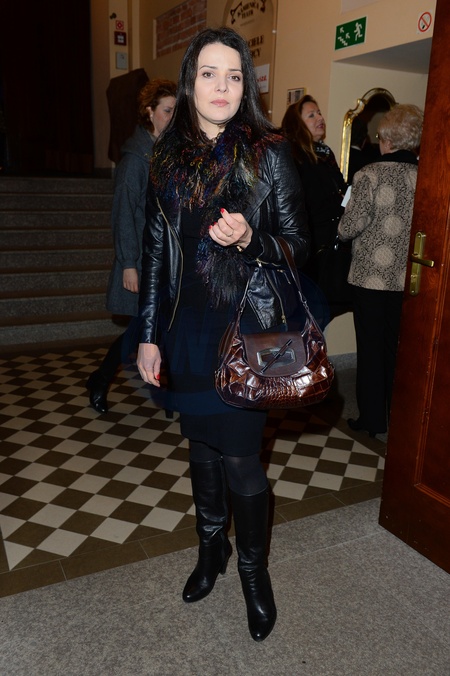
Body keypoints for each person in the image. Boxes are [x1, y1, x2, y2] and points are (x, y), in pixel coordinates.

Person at [136, 27, 309, 642]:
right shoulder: (167, 157)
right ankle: (211, 548)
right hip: (186, 329)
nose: (222, 86)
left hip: (250, 329)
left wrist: (251, 239)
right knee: (201, 447)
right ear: (189, 83)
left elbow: (300, 245)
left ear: (246, 87)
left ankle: (253, 573)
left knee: (240, 457)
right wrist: (148, 333)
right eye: (208, 73)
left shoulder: (269, 153)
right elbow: (156, 253)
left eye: (234, 76)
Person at [86, 78, 177, 414]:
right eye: (167, 110)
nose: (172, 117)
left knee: (160, 327)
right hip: (140, 260)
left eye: (176, 111)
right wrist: (128, 263)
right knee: (141, 328)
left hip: (163, 258)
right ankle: (101, 378)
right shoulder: (135, 159)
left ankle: (166, 391)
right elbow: (123, 213)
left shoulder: (165, 154)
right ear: (149, 112)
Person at [338, 103, 424, 437]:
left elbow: (349, 227)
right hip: (408, 278)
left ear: (387, 138)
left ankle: (372, 420)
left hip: (370, 278)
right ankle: (398, 418)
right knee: (397, 350)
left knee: (370, 349)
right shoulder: (424, 176)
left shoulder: (369, 175)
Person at [281, 95, 349, 320]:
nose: (320, 118)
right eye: (311, 115)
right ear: (297, 124)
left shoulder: (325, 154)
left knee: (322, 315)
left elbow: (339, 193)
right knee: (305, 317)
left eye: (319, 113)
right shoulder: (293, 157)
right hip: (309, 252)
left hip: (330, 248)